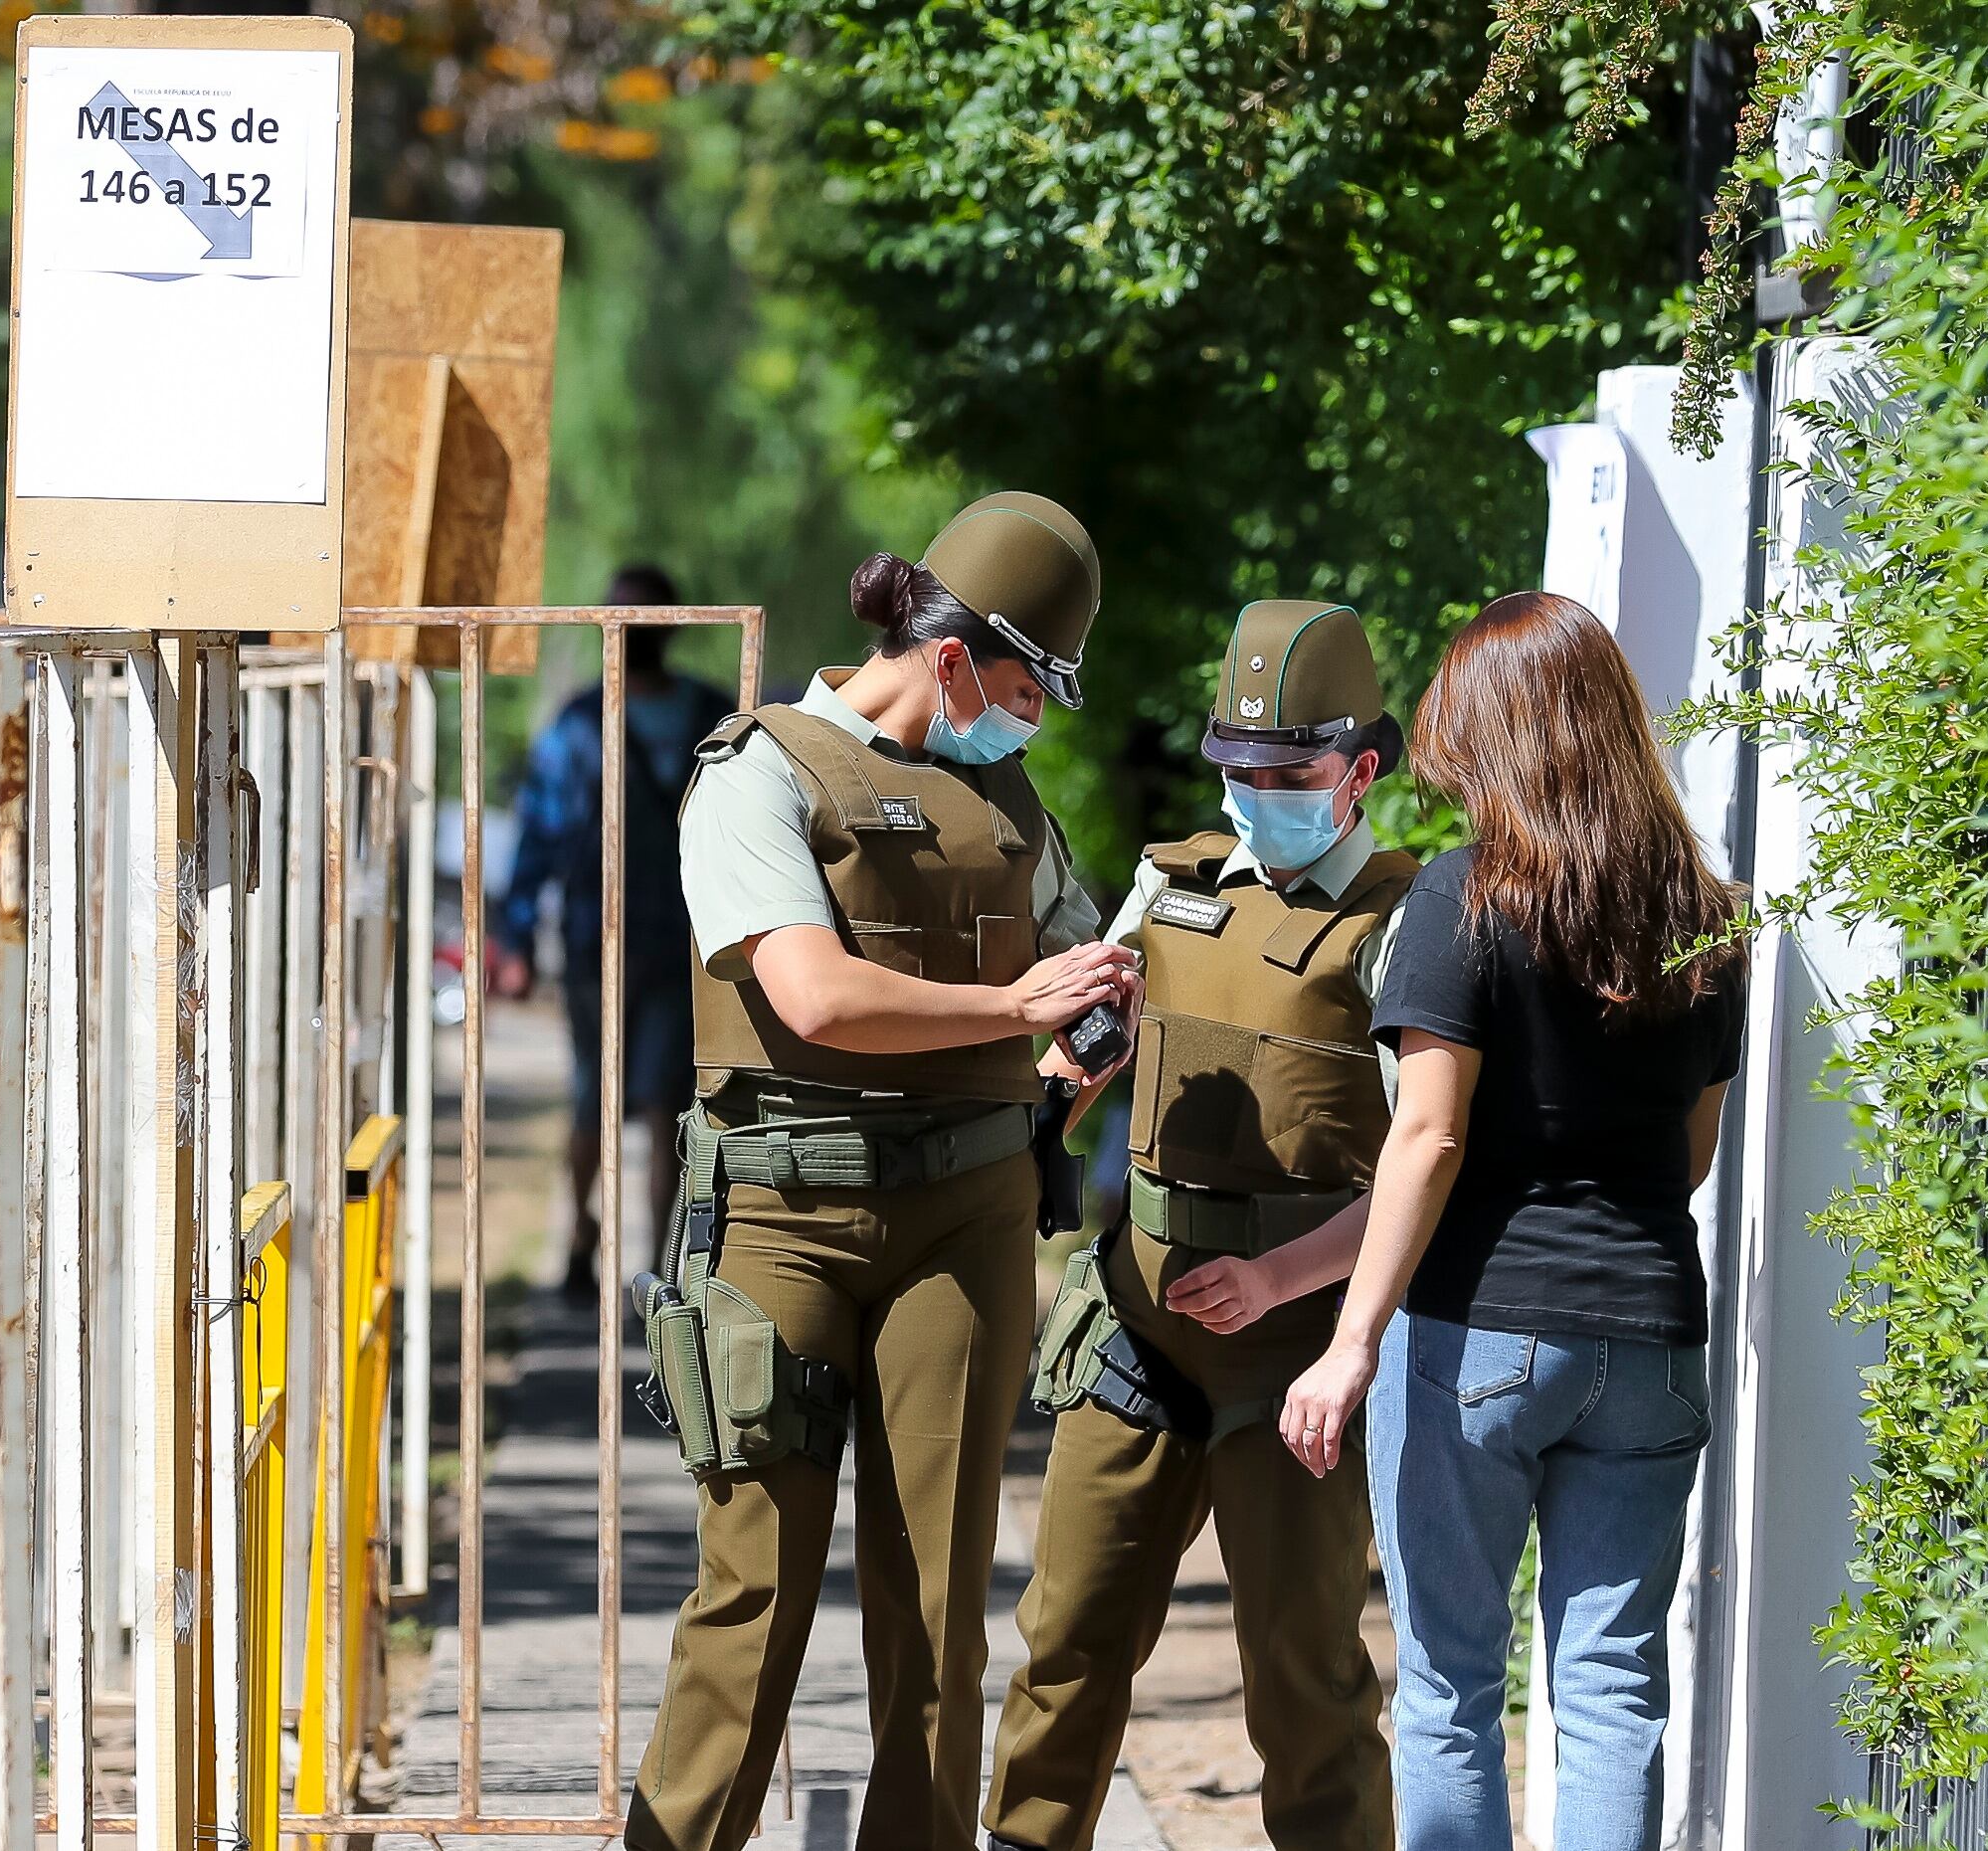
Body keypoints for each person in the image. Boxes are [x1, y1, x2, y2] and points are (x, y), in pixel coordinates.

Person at [1166, 592, 1748, 1851]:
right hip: (1652, 1337)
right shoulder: (1707, 915)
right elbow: (1687, 1156)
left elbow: (1428, 1138)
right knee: (1611, 1689)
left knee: (1448, 1690)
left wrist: (1350, 1339)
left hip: (1479, 1335)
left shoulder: (1462, 897)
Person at [629, 492, 1138, 1851]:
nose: (1029, 722)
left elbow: (1072, 982)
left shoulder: (1006, 803)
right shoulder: (759, 771)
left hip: (964, 1222)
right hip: (782, 1218)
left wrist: (1087, 1024)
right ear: (956, 656)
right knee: (753, 1596)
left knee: (935, 1612)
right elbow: (815, 998)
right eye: (1024, 688)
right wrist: (1018, 1010)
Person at [986, 601, 1412, 1851]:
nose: (1255, 796)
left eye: (1287, 774)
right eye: (1238, 770)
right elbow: (1082, 1052)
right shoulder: (1168, 889)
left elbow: (1425, 1164)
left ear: (1359, 771)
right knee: (1065, 1642)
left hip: (1297, 1352)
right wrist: (1049, 1090)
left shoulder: (1404, 923)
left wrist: (1283, 1280)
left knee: (1305, 1681)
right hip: (1136, 1323)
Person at [497, 564, 730, 1297]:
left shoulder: (714, 716)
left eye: (640, 618)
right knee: (592, 1097)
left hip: (688, 945)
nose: (629, 632)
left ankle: (660, 1262)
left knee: (667, 1101)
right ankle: (580, 1240)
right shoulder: (578, 723)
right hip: (598, 941)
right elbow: (538, 831)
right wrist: (514, 931)